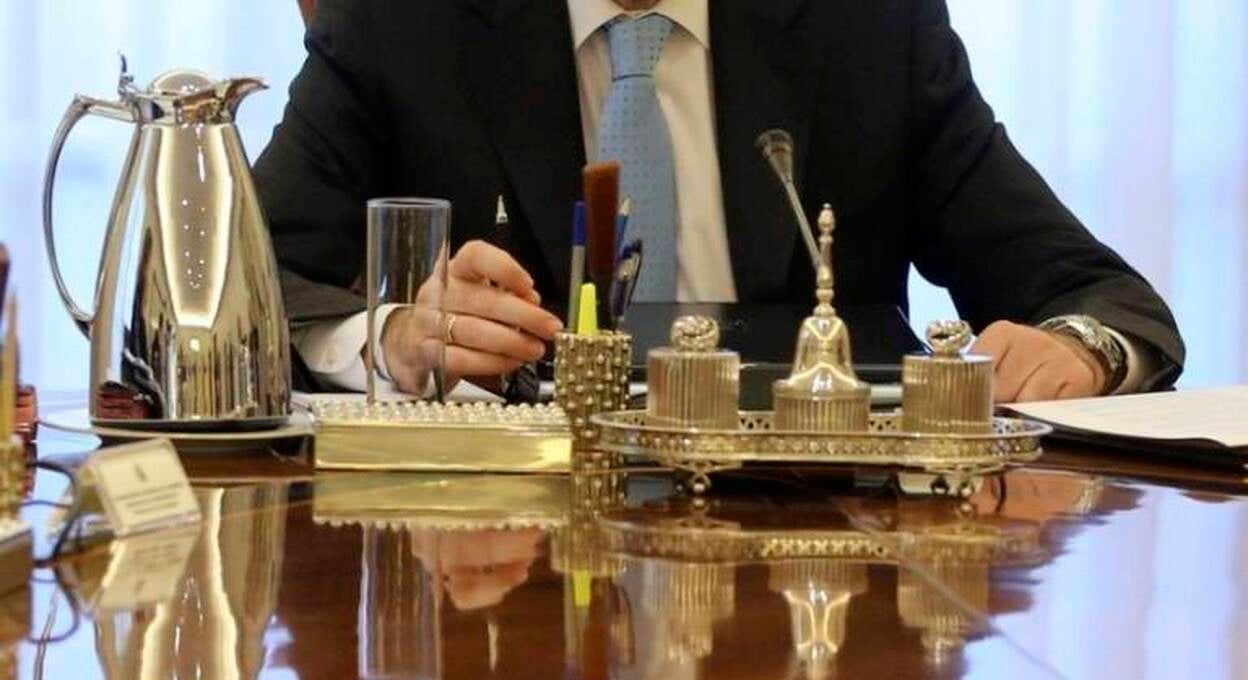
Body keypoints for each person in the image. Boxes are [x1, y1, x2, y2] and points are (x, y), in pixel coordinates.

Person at [254, 0, 1184, 401]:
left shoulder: (867, 27)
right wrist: (392, 339)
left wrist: (1082, 349)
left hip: (813, 566)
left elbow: (1101, 298)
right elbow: (248, 291)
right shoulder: (400, 22)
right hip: (498, 566)